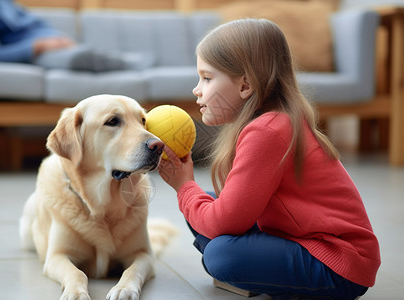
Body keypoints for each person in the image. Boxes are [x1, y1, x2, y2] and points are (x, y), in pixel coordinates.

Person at [158, 18, 380, 299]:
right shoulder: (273, 122)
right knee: (207, 201)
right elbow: (231, 215)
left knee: (220, 254)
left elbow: (224, 224)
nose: (197, 89)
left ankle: (254, 274)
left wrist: (182, 186)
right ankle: (260, 272)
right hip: (297, 238)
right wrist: (190, 192)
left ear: (245, 85)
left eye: (207, 77)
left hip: (337, 263)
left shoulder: (268, 131)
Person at [0, 0, 152, 71]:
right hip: (34, 51)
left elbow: (29, 22)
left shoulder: (1, 2)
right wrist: (39, 45)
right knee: (82, 57)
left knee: (81, 53)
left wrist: (53, 38)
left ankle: (129, 62)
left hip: (49, 40)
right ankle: (130, 64)